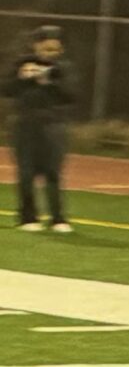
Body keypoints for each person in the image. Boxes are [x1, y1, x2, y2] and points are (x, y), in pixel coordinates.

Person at [10, 24, 76, 233]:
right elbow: (6, 89)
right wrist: (22, 77)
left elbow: (71, 95)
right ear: (36, 46)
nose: (51, 54)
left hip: (53, 126)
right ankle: (27, 216)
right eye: (47, 49)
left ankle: (58, 218)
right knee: (26, 172)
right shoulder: (22, 64)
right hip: (25, 126)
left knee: (53, 173)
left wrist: (48, 81)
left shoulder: (63, 69)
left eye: (55, 49)